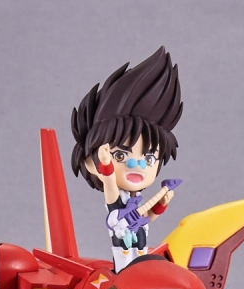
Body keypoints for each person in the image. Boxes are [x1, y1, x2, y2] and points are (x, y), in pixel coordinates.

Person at [71, 47, 183, 271]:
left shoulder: (135, 200)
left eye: (149, 158)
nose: (137, 164)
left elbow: (147, 217)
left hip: (141, 256)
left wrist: (162, 203)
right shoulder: (116, 201)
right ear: (90, 162)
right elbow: (110, 183)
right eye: (121, 155)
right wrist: (106, 163)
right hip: (123, 263)